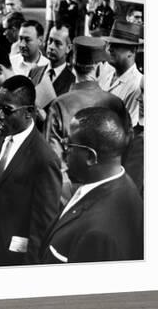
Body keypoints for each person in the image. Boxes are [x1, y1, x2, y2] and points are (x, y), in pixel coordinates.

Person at [0, 75, 62, 266]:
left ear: (29, 112)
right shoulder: (0, 136)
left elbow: (42, 227)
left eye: (7, 110)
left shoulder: (45, 159)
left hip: (15, 260)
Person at [40, 107, 143, 264]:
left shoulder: (98, 234)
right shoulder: (121, 184)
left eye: (68, 146)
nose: (63, 153)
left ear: (90, 157)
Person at [44, 36, 130, 205]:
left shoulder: (59, 105)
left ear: (72, 66)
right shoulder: (115, 104)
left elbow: (53, 160)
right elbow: (127, 148)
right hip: (110, 192)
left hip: (70, 195)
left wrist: (69, 198)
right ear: (98, 68)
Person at [102, 20, 144, 127]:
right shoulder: (106, 76)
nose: (110, 48)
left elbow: (129, 130)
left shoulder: (137, 85)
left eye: (116, 45)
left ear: (132, 50)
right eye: (110, 44)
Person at [45, 23, 75, 97]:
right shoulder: (35, 72)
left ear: (68, 48)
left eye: (57, 43)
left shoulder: (73, 81)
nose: (51, 46)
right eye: (50, 40)